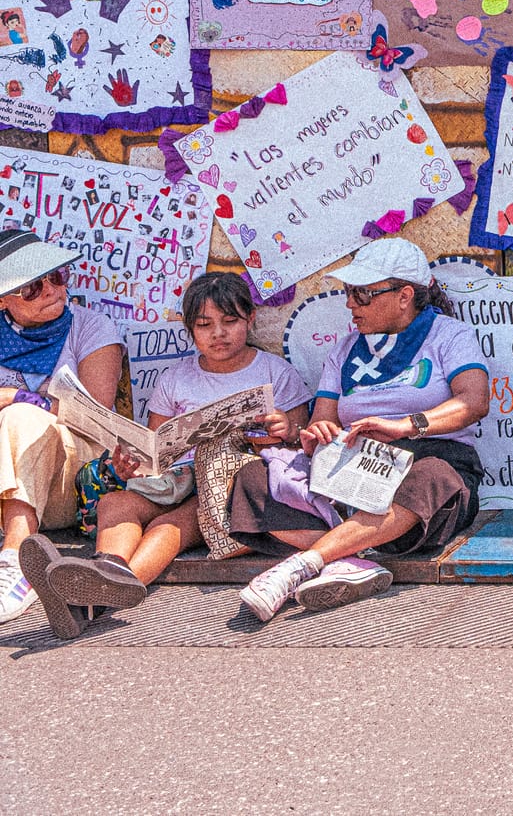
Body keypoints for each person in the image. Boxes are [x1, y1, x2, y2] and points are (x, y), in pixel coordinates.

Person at [18, 273, 314, 639]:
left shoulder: (274, 371)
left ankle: (91, 600)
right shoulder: (176, 378)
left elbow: (300, 440)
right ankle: (104, 571)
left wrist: (282, 430)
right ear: (190, 329)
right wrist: (131, 462)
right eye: (205, 325)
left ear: (250, 319)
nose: (218, 334)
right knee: (115, 504)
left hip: (224, 489)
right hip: (174, 479)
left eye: (230, 321)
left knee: (168, 527)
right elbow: (154, 445)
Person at [228, 239, 491, 622]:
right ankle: (353, 555)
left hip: (429, 456)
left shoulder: (450, 336)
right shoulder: (345, 349)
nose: (351, 304)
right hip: (354, 465)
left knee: (433, 480)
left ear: (404, 296)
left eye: (363, 294)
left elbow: (474, 401)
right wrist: (318, 433)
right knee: (254, 478)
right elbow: (325, 419)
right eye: (349, 293)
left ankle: (303, 564)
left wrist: (405, 427)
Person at [0, 231, 124, 623]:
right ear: (4, 300)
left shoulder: (92, 328)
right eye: (33, 287)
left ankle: (17, 559)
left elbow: (95, 414)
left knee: (21, 418)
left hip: (67, 480)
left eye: (57, 276)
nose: (52, 290)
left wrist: (20, 400)